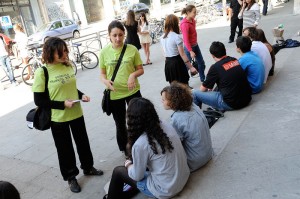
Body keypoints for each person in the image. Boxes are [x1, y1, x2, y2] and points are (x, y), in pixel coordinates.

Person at [32, 37, 103, 193]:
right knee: (65, 150)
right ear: (51, 53)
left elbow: (71, 88)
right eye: (61, 52)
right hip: (58, 118)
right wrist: (62, 104)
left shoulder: (67, 66)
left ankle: (88, 167)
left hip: (76, 112)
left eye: (65, 51)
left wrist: (82, 95)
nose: (65, 54)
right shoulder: (42, 72)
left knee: (83, 142)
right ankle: (71, 177)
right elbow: (39, 100)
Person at [103, 97, 190, 199]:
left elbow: (137, 176)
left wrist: (128, 165)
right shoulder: (164, 124)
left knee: (118, 172)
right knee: (142, 167)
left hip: (166, 190)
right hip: (183, 177)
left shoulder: (140, 144)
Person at [99, 20, 144, 153]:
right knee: (120, 124)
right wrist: (105, 82)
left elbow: (140, 69)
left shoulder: (132, 49)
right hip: (115, 94)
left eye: (120, 35)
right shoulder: (104, 52)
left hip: (132, 91)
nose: (118, 38)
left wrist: (133, 75)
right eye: (114, 35)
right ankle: (126, 150)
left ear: (124, 34)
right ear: (109, 36)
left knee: (137, 119)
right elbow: (102, 74)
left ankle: (141, 146)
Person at [161, 82, 213, 172]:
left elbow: (174, 145)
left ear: (173, 101)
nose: (161, 102)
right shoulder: (193, 106)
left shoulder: (177, 119)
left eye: (163, 99)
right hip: (208, 153)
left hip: (194, 162)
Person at [193, 41, 252, 111]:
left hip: (231, 104)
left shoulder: (215, 67)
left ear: (212, 55)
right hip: (247, 99)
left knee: (195, 93)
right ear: (224, 50)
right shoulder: (234, 60)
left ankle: (198, 117)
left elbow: (202, 89)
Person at [160, 14, 197, 85]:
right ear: (175, 24)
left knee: (173, 87)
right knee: (183, 85)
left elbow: (164, 54)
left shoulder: (162, 37)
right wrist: (191, 67)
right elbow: (182, 54)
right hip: (177, 63)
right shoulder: (177, 37)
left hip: (168, 64)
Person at [180, 4, 206, 82]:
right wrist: (191, 51)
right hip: (189, 48)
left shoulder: (193, 21)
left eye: (196, 12)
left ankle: (203, 79)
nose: (195, 14)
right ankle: (184, 83)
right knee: (187, 66)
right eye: (194, 12)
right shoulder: (184, 24)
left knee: (201, 63)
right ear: (188, 12)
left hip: (195, 45)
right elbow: (186, 40)